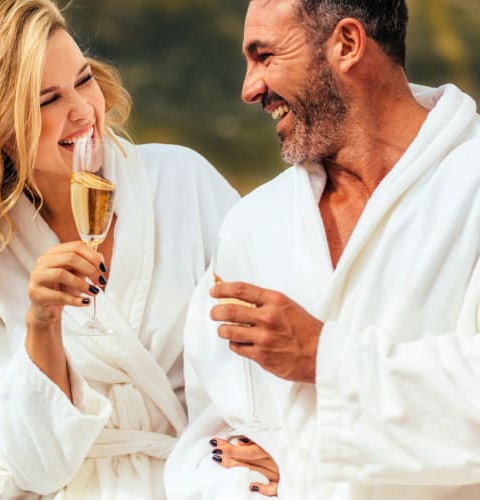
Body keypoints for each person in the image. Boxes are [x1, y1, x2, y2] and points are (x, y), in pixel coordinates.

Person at [0, 0, 238, 497]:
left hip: (207, 481)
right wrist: (42, 323)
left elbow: (266, 334)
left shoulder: (183, 182)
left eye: (83, 79)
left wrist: (275, 441)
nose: (82, 111)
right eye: (46, 99)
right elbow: (34, 465)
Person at [165, 0, 480, 498]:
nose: (249, 90)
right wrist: (244, 484)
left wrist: (321, 357)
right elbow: (213, 437)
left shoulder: (471, 185)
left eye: (264, 56)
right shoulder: (255, 224)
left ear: (347, 44)